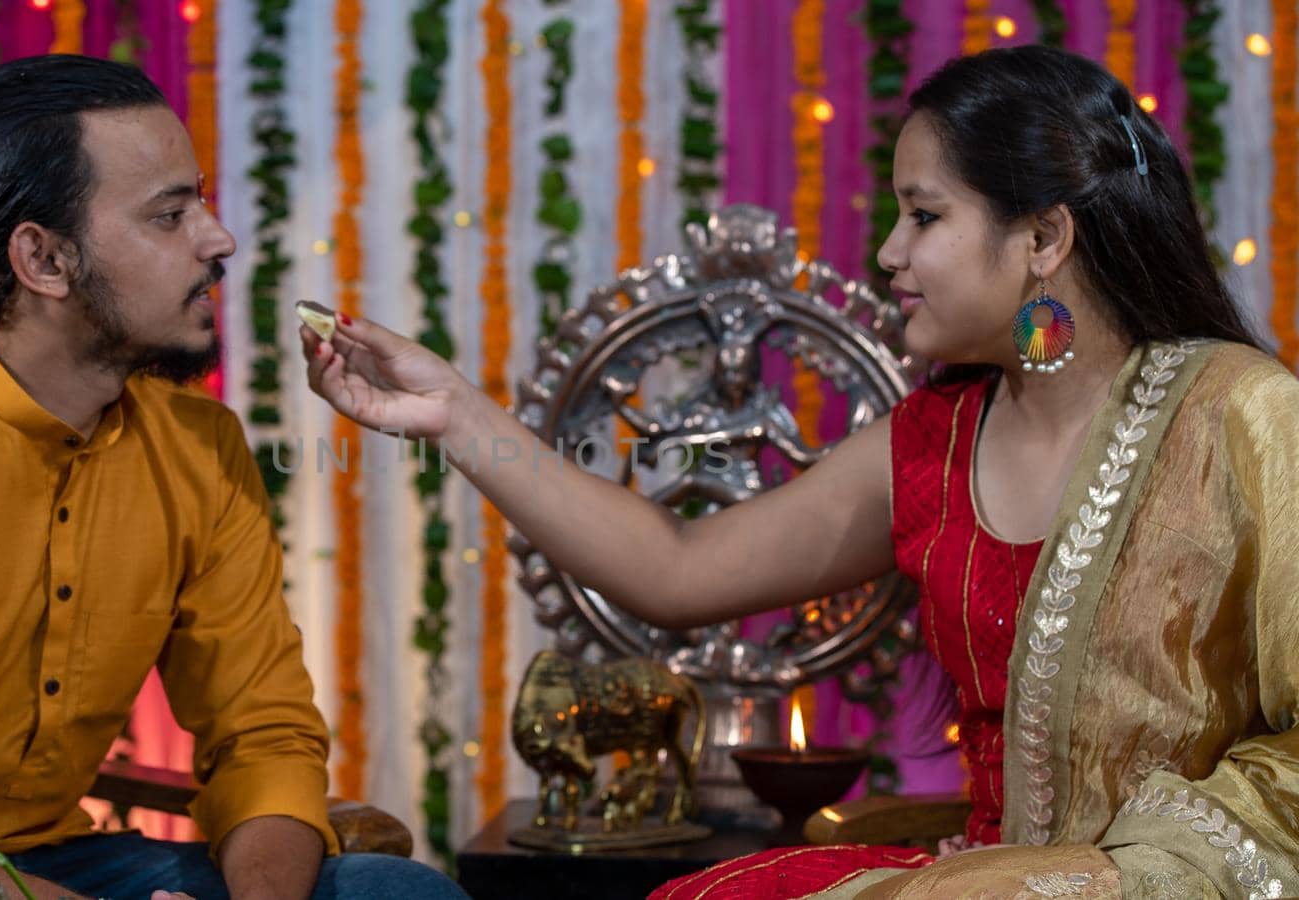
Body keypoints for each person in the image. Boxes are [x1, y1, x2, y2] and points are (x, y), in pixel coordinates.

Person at [302, 44, 1299, 898]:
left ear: (1042, 237)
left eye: (924, 216)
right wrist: (456, 416)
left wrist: (1098, 876)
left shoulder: (1239, 413)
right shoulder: (936, 441)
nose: (886, 251)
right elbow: (678, 570)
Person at [0, 55, 465, 900]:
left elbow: (262, 736)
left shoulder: (200, 448)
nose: (218, 239)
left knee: (394, 892)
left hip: (60, 859)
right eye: (170, 214)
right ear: (44, 260)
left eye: (199, 202)